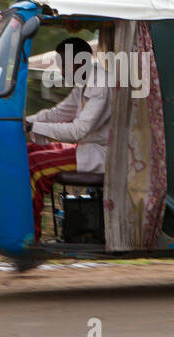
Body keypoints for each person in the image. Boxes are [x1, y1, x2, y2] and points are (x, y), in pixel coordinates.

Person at [24, 37, 112, 240]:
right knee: (29, 151)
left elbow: (77, 131)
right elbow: (58, 113)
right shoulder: (85, 83)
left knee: (34, 167)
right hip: (86, 148)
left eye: (64, 65)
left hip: (100, 154)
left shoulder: (100, 86)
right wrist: (21, 122)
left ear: (81, 62)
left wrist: (33, 126)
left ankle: (30, 240)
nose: (61, 71)